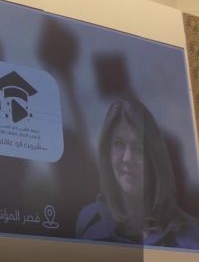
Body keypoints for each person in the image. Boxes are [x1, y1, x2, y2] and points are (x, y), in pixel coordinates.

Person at [76, 98, 199, 248]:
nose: (127, 158)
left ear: (154, 159)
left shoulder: (191, 237)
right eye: (119, 144)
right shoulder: (88, 221)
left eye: (138, 148)